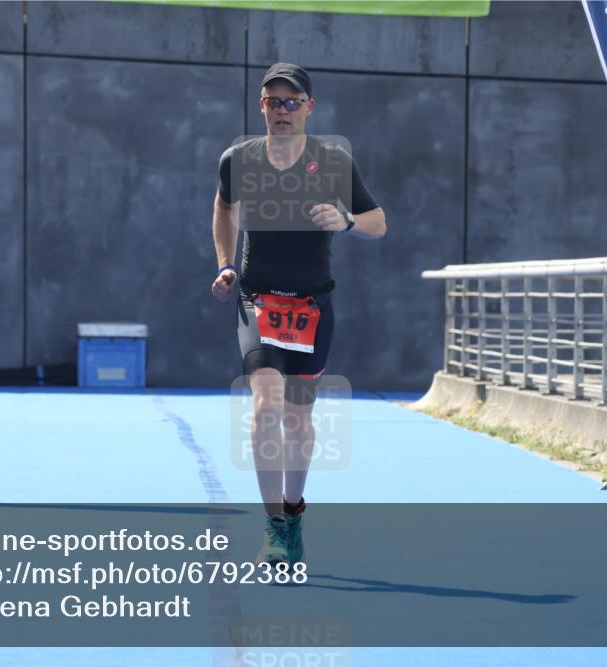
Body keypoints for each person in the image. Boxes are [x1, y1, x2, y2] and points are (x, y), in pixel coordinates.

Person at [211, 63, 386, 569]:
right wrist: (225, 264)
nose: (282, 111)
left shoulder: (331, 162)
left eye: (292, 102)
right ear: (261, 107)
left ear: (309, 108)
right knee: (266, 407)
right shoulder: (237, 160)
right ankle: (276, 527)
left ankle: (294, 510)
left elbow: (379, 223)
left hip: (312, 307)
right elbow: (223, 207)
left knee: (297, 420)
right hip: (258, 301)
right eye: (273, 102)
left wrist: (347, 219)